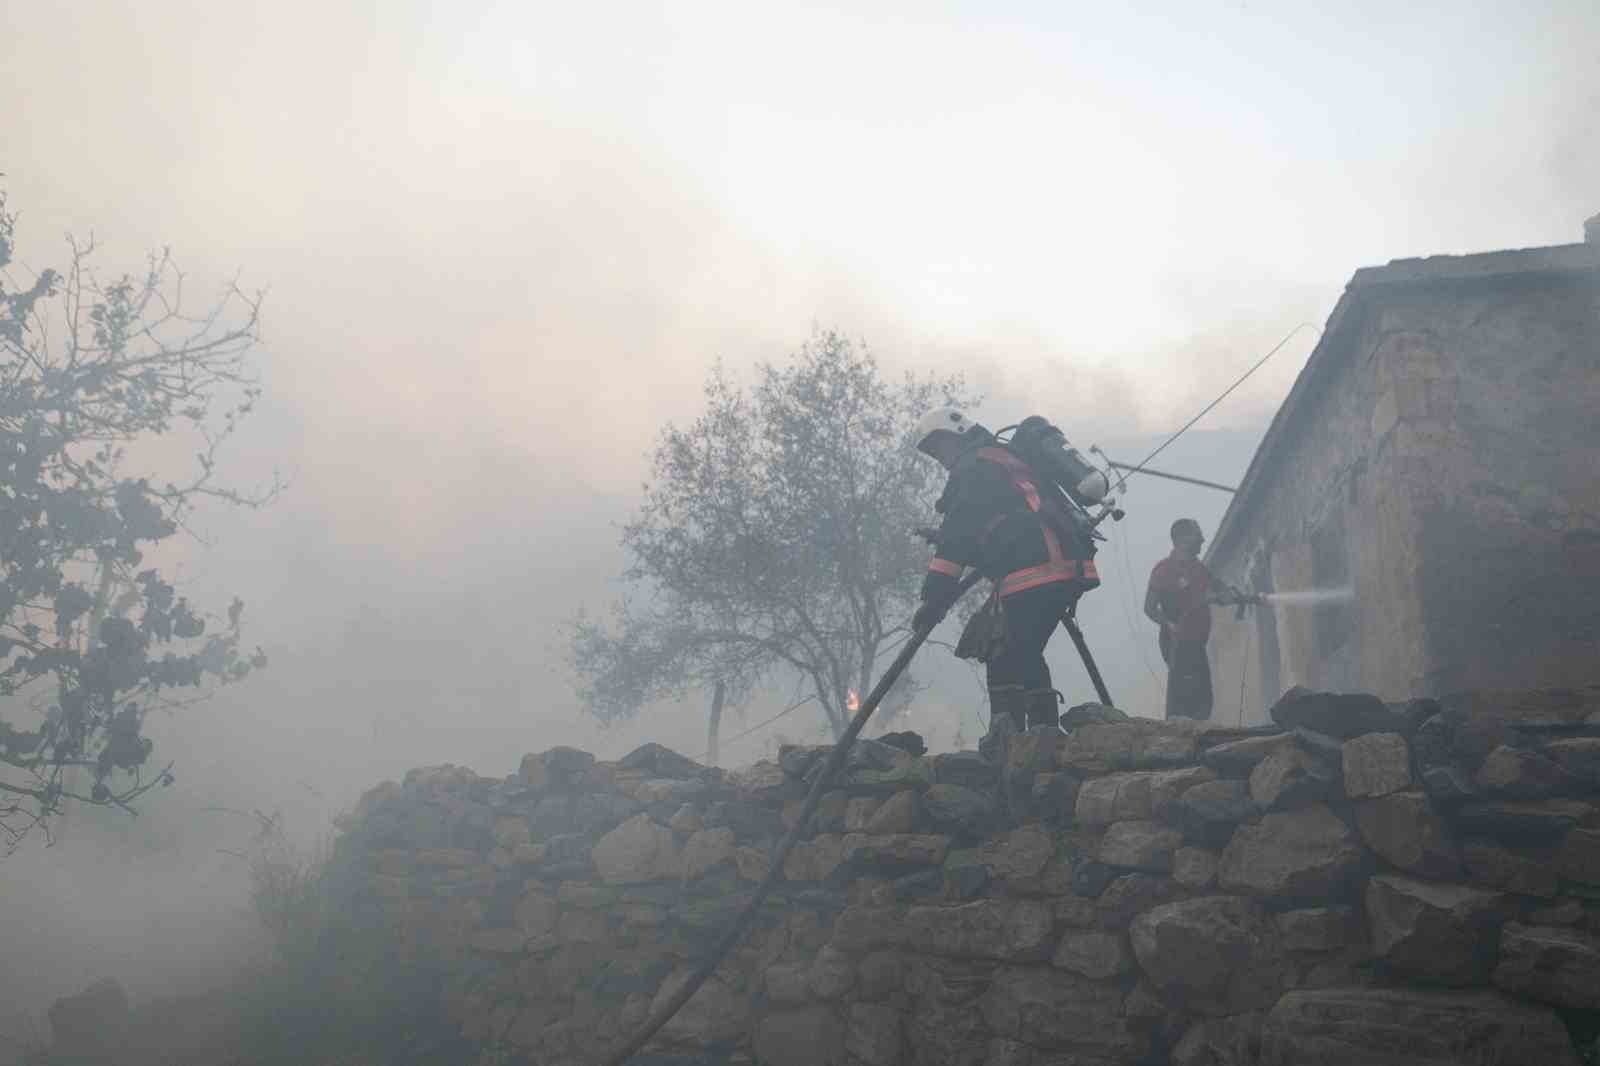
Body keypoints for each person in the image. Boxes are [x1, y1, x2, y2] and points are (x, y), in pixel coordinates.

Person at [910, 407, 1105, 753]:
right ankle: (1032, 738)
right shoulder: (1005, 458)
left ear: (957, 434)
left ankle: (1019, 745)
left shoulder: (973, 467)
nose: (940, 458)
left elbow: (959, 538)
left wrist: (933, 600)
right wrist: (948, 540)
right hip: (1063, 564)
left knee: (1011, 651)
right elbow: (1001, 524)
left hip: (1035, 571)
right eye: (933, 452)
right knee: (1016, 649)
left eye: (940, 447)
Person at [1145, 517, 1215, 720]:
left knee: (1203, 698)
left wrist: (1235, 596)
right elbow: (1149, 608)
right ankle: (1176, 740)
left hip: (1197, 642)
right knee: (1184, 697)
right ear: (1183, 538)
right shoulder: (1164, 570)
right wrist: (1169, 624)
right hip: (1177, 642)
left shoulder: (1200, 569)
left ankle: (1198, 739)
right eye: (1198, 535)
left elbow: (1220, 589)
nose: (1202, 539)